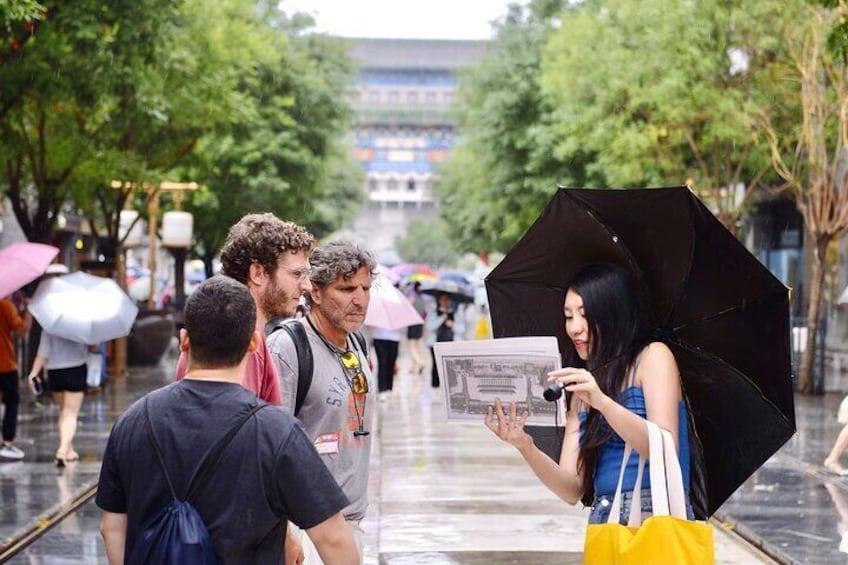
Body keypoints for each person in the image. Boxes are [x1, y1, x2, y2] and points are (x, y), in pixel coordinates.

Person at [96, 276, 358, 565]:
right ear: (254, 343)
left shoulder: (133, 421)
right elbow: (333, 539)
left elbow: (112, 529)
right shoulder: (277, 432)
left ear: (184, 340)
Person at [484, 263, 693, 525]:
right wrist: (525, 445)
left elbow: (665, 447)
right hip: (605, 517)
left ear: (612, 314)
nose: (574, 328)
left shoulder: (653, 357)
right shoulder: (582, 387)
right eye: (569, 316)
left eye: (584, 315)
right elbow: (571, 490)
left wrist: (603, 402)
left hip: (655, 515)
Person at [268, 240, 377, 564]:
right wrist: (286, 534)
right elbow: (271, 450)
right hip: (308, 530)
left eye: (365, 288)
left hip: (351, 524)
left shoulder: (357, 343)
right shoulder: (288, 347)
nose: (359, 300)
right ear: (315, 292)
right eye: (346, 289)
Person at [175, 212, 317, 406]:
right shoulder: (244, 344)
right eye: (297, 274)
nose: (307, 286)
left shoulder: (217, 331)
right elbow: (241, 426)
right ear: (258, 273)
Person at [27, 320, 98, 467]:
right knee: (71, 413)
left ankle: (69, 450)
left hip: (54, 371)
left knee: (64, 411)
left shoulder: (50, 323)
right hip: (75, 368)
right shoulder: (81, 322)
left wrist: (33, 373)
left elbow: (43, 351)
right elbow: (94, 346)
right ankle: (62, 449)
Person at [0, 296, 32, 460]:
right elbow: (21, 331)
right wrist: (28, 311)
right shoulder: (4, 304)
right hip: (4, 364)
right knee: (11, 402)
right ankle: (7, 443)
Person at [428, 292, 455, 389]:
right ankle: (435, 386)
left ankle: (447, 386)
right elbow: (430, 326)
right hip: (436, 343)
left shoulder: (453, 312)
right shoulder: (434, 312)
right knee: (436, 365)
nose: (445, 302)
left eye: (447, 299)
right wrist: (441, 319)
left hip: (450, 343)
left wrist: (452, 325)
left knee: (449, 367)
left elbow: (461, 328)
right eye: (442, 299)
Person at [405, 282, 426, 374]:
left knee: (412, 347)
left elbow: (407, 310)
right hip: (420, 324)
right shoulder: (423, 300)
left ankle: (420, 363)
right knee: (417, 347)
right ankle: (413, 367)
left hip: (413, 324)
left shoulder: (412, 299)